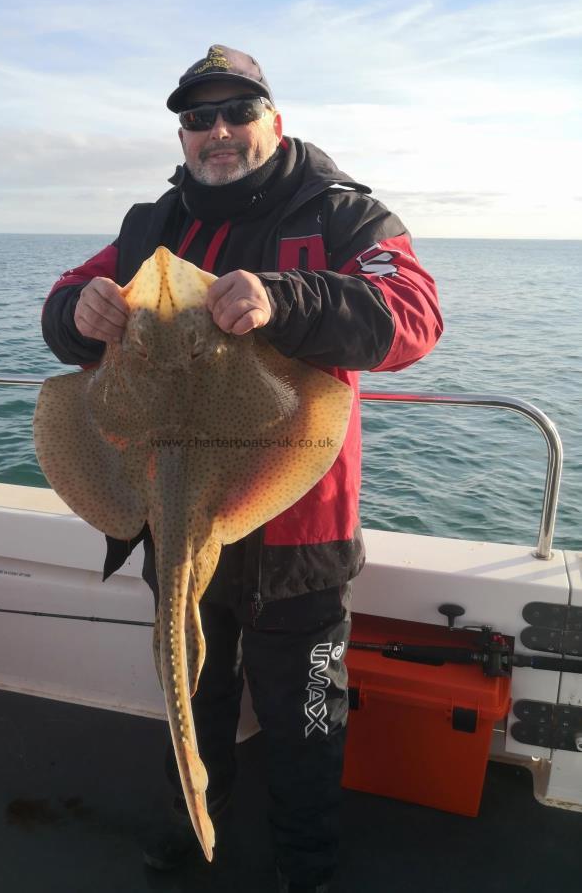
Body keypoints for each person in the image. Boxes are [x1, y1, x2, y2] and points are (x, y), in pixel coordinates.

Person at [41, 44, 443, 893]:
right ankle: (195, 821)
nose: (217, 131)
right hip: (172, 501)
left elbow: (411, 315)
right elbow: (64, 308)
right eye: (198, 118)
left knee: (306, 715)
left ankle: (306, 862)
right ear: (183, 134)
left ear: (274, 121)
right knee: (192, 679)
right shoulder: (151, 227)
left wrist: (284, 299)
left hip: (297, 527)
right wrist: (80, 315)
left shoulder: (340, 216)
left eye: (236, 112)